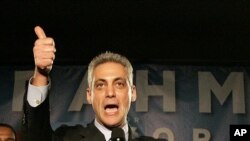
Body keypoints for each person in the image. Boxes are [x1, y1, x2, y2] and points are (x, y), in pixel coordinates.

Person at [22, 26, 167, 141]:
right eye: (100, 85)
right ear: (89, 95)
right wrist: (41, 73)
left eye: (119, 84)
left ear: (133, 93)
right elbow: (35, 135)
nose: (110, 93)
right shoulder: (65, 138)